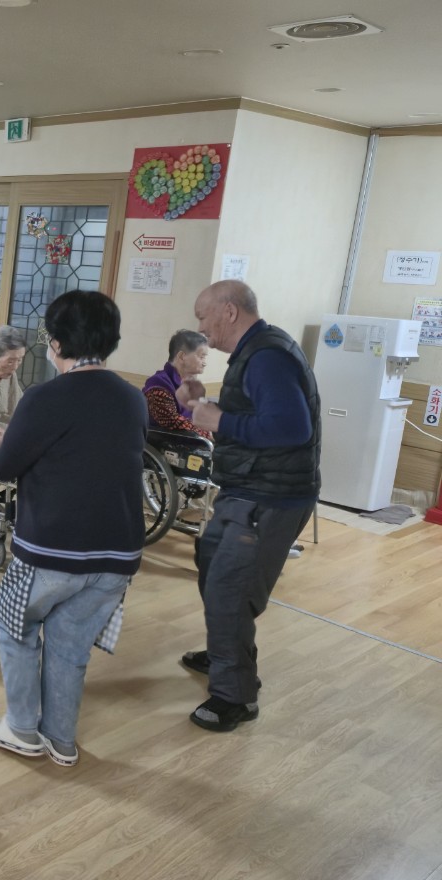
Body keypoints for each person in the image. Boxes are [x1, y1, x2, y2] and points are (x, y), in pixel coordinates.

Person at [0, 290, 147, 767]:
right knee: (70, 646)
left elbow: (4, 468)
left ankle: (21, 729)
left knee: (15, 628)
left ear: (55, 343)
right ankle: (60, 739)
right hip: (118, 557)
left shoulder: (45, 398)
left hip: (54, 551)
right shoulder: (132, 398)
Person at [176, 280, 320, 733]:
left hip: (270, 497)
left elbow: (292, 428)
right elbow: (257, 415)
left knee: (230, 590)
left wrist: (218, 418)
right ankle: (227, 649)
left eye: (203, 316)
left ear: (229, 311)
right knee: (211, 562)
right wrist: (205, 405)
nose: (200, 326)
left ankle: (235, 697)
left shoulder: (267, 356)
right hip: (247, 489)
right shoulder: (254, 352)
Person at [144, 330, 211, 439]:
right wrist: (208, 434)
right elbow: (172, 421)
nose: (205, 363)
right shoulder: (158, 385)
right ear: (182, 356)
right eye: (201, 357)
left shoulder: (191, 384)